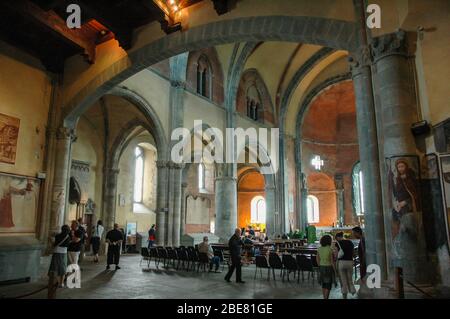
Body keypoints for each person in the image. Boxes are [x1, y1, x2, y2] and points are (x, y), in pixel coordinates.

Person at [48, 225, 71, 298]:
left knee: (54, 267)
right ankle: (61, 283)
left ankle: (54, 282)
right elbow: (68, 246)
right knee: (62, 268)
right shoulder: (68, 237)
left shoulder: (57, 236)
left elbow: (54, 244)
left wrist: (51, 241)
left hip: (56, 253)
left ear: (62, 229)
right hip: (64, 253)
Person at [335, 232, 356, 298]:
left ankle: (344, 294)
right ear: (343, 236)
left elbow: (336, 254)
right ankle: (352, 290)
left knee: (343, 279)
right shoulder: (350, 242)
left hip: (341, 262)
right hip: (350, 262)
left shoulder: (337, 244)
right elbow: (353, 252)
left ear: (338, 237)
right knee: (350, 278)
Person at [317, 235, 335, 299]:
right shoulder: (330, 249)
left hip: (321, 267)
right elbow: (332, 261)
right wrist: (335, 270)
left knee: (323, 284)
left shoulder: (319, 249)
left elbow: (317, 259)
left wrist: (320, 266)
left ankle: (324, 297)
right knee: (328, 284)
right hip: (328, 267)